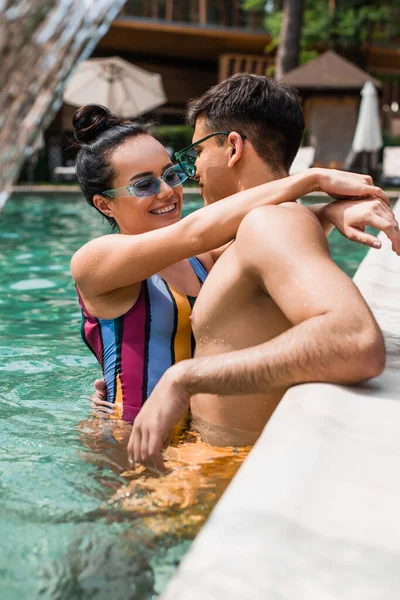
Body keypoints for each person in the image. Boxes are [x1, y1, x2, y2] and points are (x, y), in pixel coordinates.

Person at [127, 74, 398, 470]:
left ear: (233, 147)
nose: (194, 169)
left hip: (222, 478)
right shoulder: (262, 227)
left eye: (198, 151)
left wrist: (185, 378)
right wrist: (326, 211)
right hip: (211, 467)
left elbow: (354, 340)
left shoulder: (270, 224)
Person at [74, 101, 395, 426]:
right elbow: (196, 230)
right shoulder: (94, 261)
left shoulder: (201, 260)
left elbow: (262, 238)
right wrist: (312, 180)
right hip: (125, 450)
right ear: (105, 204)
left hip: (188, 444)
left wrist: (330, 212)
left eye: (171, 174)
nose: (169, 191)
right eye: (144, 184)